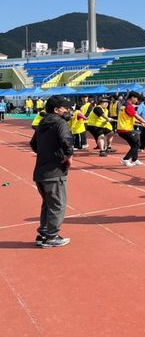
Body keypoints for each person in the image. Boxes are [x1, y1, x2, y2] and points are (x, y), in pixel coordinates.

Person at [30, 96, 75, 248]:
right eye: (65, 108)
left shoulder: (42, 122)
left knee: (47, 204)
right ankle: (51, 237)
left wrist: (47, 154)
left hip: (40, 171)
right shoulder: (60, 122)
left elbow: (33, 144)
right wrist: (68, 156)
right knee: (58, 204)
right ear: (57, 110)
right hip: (54, 172)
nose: (68, 111)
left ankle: (43, 233)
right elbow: (67, 140)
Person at [117, 91, 145, 167]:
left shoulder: (124, 105)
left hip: (124, 129)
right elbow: (136, 115)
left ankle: (135, 159)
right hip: (125, 129)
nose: (137, 101)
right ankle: (125, 159)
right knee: (137, 144)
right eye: (136, 99)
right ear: (132, 98)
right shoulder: (128, 106)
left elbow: (131, 117)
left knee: (134, 144)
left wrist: (140, 123)